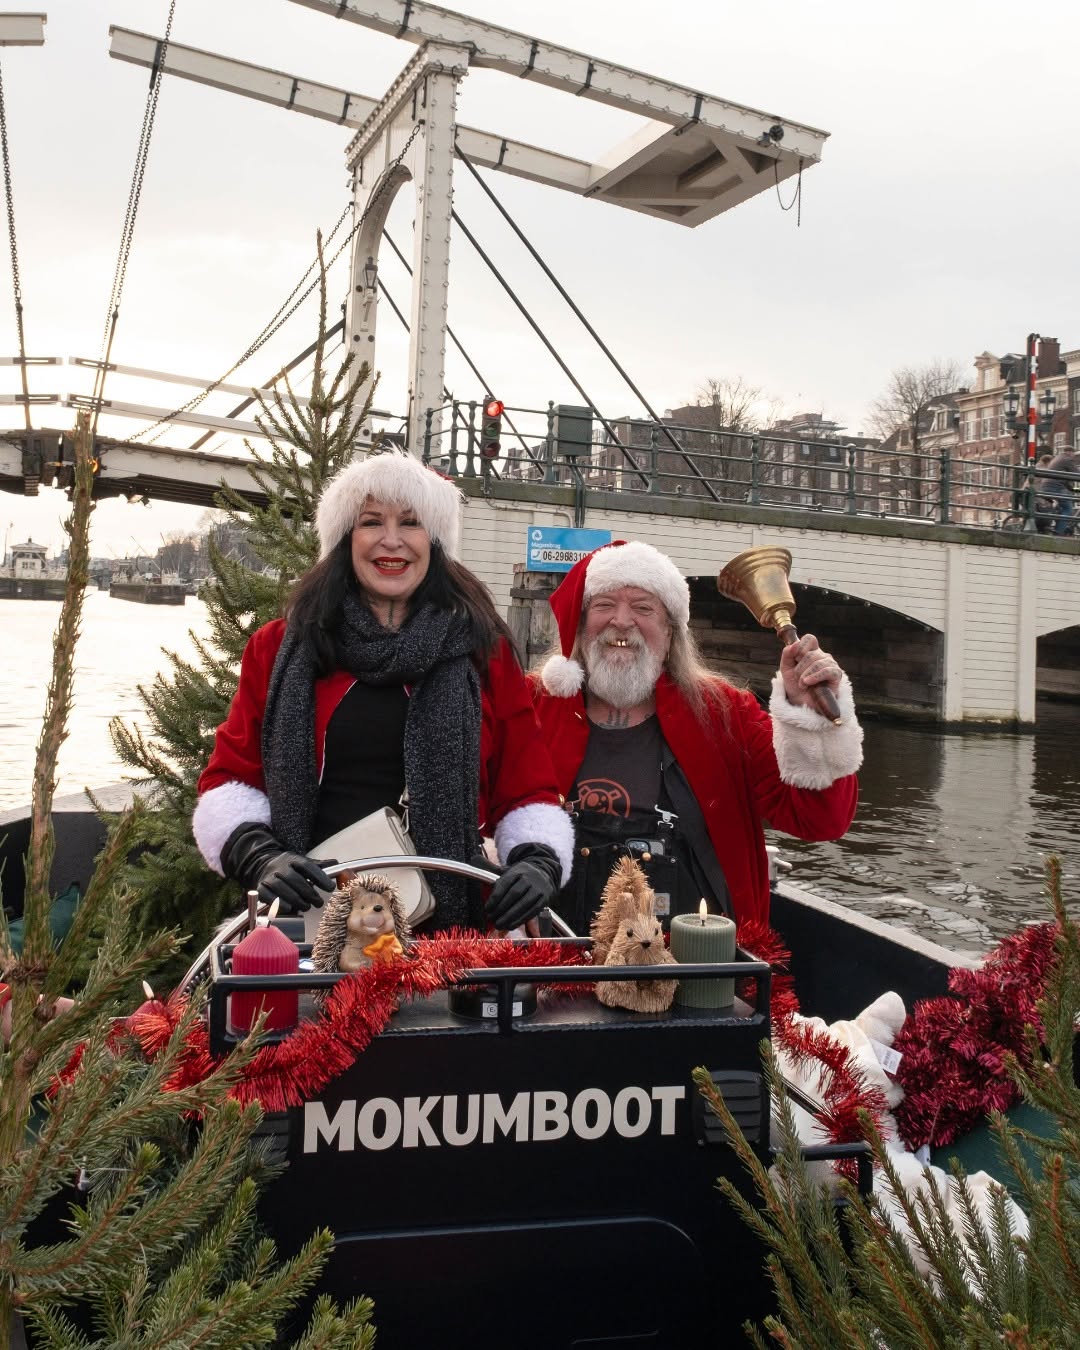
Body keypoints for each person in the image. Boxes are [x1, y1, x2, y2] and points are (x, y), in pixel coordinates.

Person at [193, 451, 573, 933]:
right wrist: (258, 855)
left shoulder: (483, 653)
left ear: (433, 542)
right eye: (371, 522)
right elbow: (231, 777)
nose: (391, 541)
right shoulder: (279, 648)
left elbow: (526, 784)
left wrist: (537, 860)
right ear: (345, 539)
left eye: (411, 523)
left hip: (447, 927)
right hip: (317, 924)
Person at [530, 540, 862, 933]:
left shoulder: (726, 714)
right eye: (603, 605)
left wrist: (808, 718)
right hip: (553, 959)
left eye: (643, 607)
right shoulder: (531, 706)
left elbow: (820, 821)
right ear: (580, 624)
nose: (622, 620)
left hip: (696, 967)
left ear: (670, 634)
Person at [1036, 447, 1080, 536]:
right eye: (1073, 454)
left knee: (1061, 507)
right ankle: (1059, 532)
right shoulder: (1067, 459)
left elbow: (1065, 479)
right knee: (1068, 509)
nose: (1074, 456)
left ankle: (1055, 525)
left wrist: (1075, 490)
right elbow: (1077, 474)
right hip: (1055, 487)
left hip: (1046, 487)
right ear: (1069, 452)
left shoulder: (1057, 458)